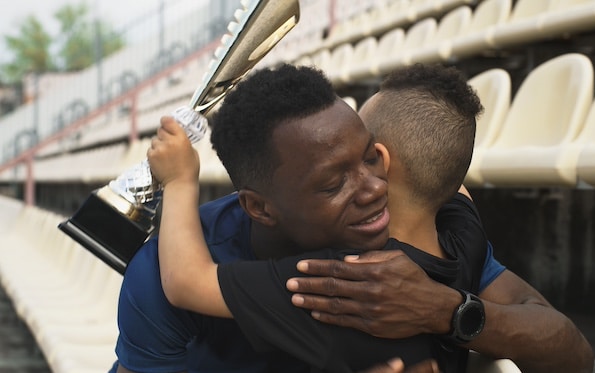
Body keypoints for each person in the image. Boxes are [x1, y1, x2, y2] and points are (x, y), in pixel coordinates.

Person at [149, 64, 487, 372]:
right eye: (333, 183)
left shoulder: (336, 280)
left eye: (368, 157)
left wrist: (179, 181)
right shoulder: (465, 238)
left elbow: (186, 282)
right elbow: (451, 181)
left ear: (384, 157)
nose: (369, 189)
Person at [285, 67, 595, 372]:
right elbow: (577, 356)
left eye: (357, 143)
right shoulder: (458, 237)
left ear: (378, 160)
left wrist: (444, 309)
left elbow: (572, 352)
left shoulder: (318, 253)